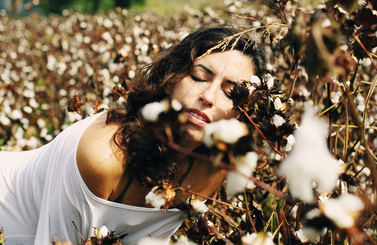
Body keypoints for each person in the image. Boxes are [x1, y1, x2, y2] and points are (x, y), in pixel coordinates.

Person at [0, 27, 268, 244]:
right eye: (199, 76)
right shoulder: (102, 157)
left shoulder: (212, 171)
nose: (208, 97)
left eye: (231, 91)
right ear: (173, 77)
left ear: (244, 111)